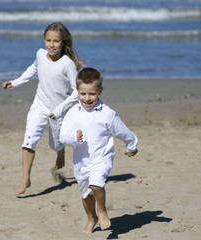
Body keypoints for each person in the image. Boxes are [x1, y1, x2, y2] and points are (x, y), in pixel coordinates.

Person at [2, 22, 82, 195]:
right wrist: (15, 82)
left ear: (63, 43)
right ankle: (25, 179)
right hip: (39, 104)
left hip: (58, 110)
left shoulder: (67, 64)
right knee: (29, 140)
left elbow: (77, 92)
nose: (51, 45)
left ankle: (60, 152)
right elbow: (33, 69)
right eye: (48, 40)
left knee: (55, 144)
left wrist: (60, 110)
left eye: (56, 41)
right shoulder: (40, 54)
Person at [59, 68, 138, 233]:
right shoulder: (73, 113)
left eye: (92, 94)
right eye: (83, 94)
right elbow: (63, 136)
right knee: (86, 194)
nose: (87, 98)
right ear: (77, 92)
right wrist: (74, 137)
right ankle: (91, 218)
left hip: (102, 158)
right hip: (81, 161)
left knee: (96, 185)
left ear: (100, 91)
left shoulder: (107, 114)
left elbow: (123, 131)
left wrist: (131, 146)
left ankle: (102, 211)